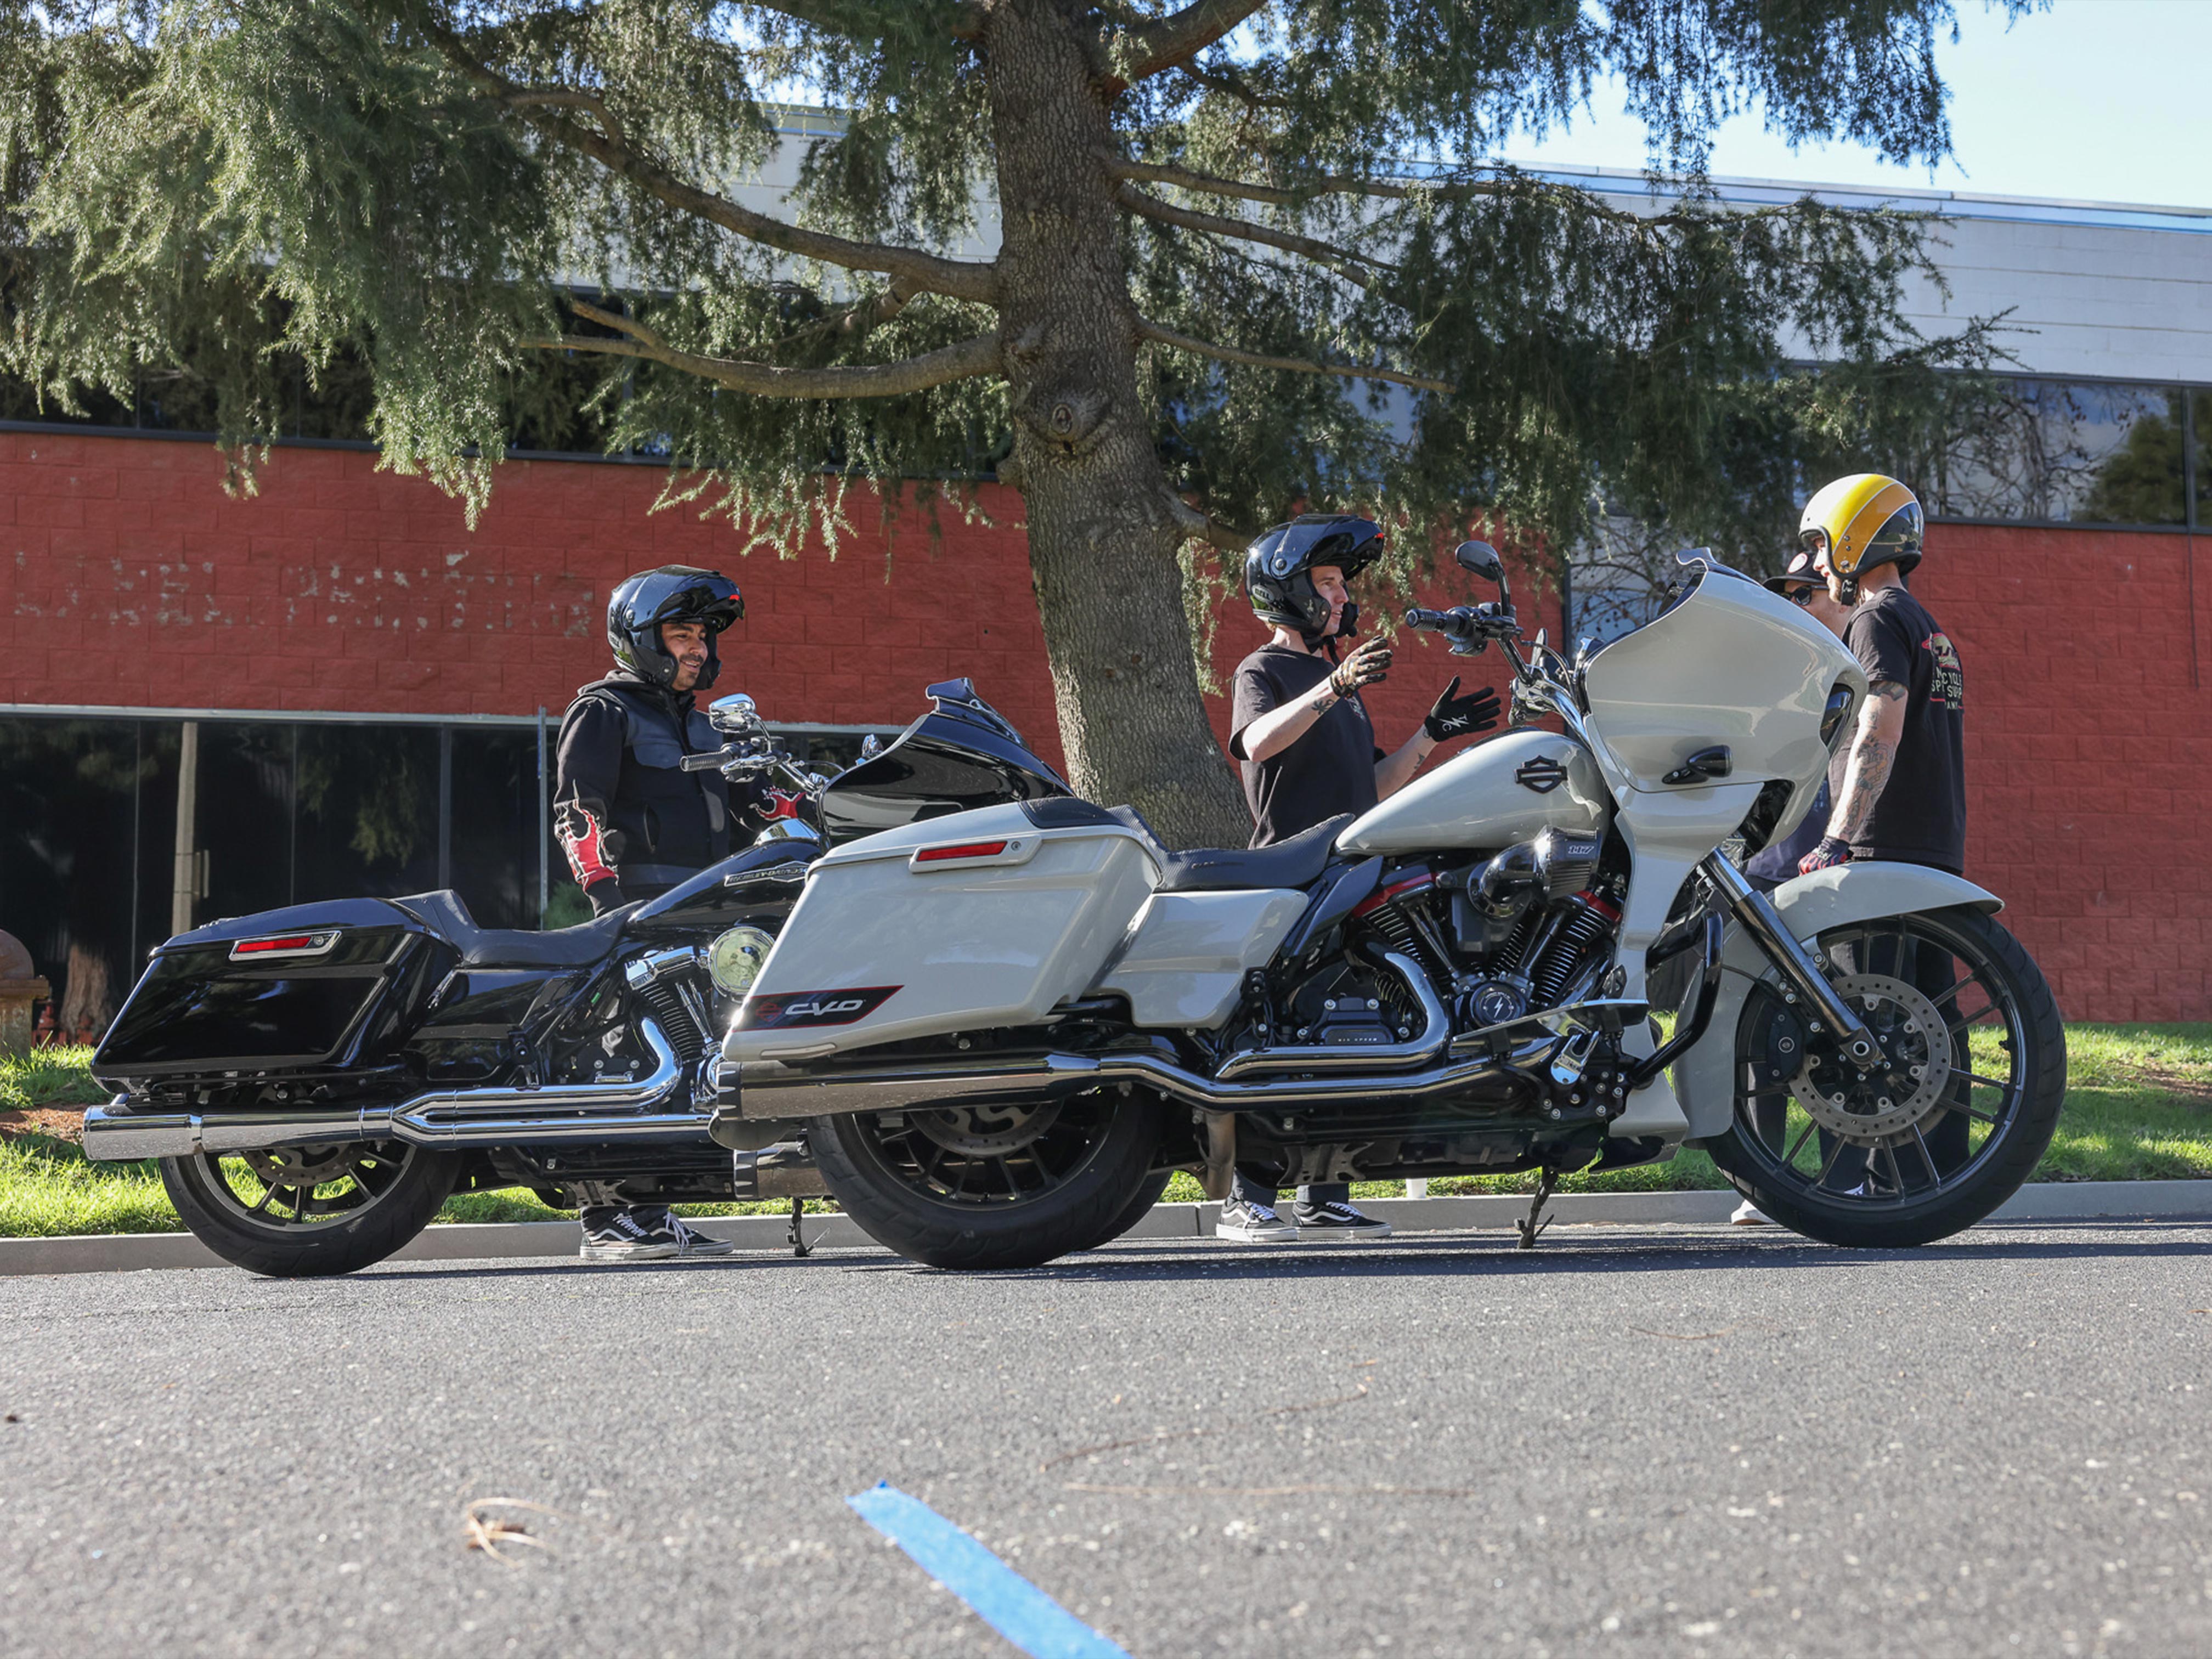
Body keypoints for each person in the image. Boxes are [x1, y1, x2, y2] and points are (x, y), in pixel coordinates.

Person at [1214, 516, 1502, 1245]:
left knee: (1343, 1030)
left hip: (1353, 870)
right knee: (1276, 1033)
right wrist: (1332, 686)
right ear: (1290, 592)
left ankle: (1325, 1193)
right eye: (1330, 583)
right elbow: (1253, 743)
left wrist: (1430, 737)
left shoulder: (1335, 681)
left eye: (1343, 583)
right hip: (1293, 874)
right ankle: (1244, 1201)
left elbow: (1371, 783)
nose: (1344, 596)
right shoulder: (1266, 671)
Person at [553, 564, 763, 1263]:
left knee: (690, 1057)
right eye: (682, 634)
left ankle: (651, 1214)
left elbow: (755, 813)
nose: (698, 647)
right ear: (643, 638)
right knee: (629, 1052)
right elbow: (578, 814)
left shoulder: (705, 727)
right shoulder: (604, 710)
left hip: (707, 911)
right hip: (639, 909)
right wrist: (610, 910)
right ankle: (609, 1220)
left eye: (703, 634)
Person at [1792, 474, 1970, 1197]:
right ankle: (1941, 1180)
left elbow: (1880, 725)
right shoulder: (1928, 624)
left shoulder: (1873, 619)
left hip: (1881, 848)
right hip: (1934, 848)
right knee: (1932, 1019)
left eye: (1820, 546)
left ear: (1850, 540)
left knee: (1866, 1017)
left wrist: (1840, 836)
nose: (1818, 563)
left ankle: (1867, 1183)